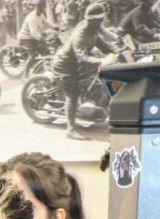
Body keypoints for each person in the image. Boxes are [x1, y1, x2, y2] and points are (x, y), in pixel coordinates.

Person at [51, 2, 124, 139]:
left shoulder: (93, 31)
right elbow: (82, 58)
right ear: (92, 20)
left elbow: (104, 46)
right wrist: (102, 61)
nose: (102, 22)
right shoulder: (81, 34)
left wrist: (119, 52)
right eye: (100, 20)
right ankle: (71, 129)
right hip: (65, 65)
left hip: (75, 65)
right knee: (72, 95)